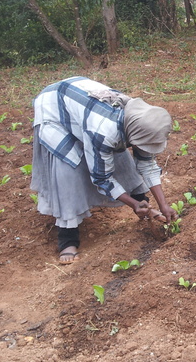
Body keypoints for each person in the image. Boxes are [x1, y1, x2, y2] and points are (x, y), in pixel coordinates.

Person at [31, 76, 178, 264]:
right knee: (69, 168)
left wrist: (164, 205)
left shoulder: (142, 122)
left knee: (120, 158)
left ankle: (145, 206)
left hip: (83, 104)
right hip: (55, 107)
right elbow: (102, 178)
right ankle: (67, 239)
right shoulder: (104, 131)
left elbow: (147, 164)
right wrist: (132, 204)